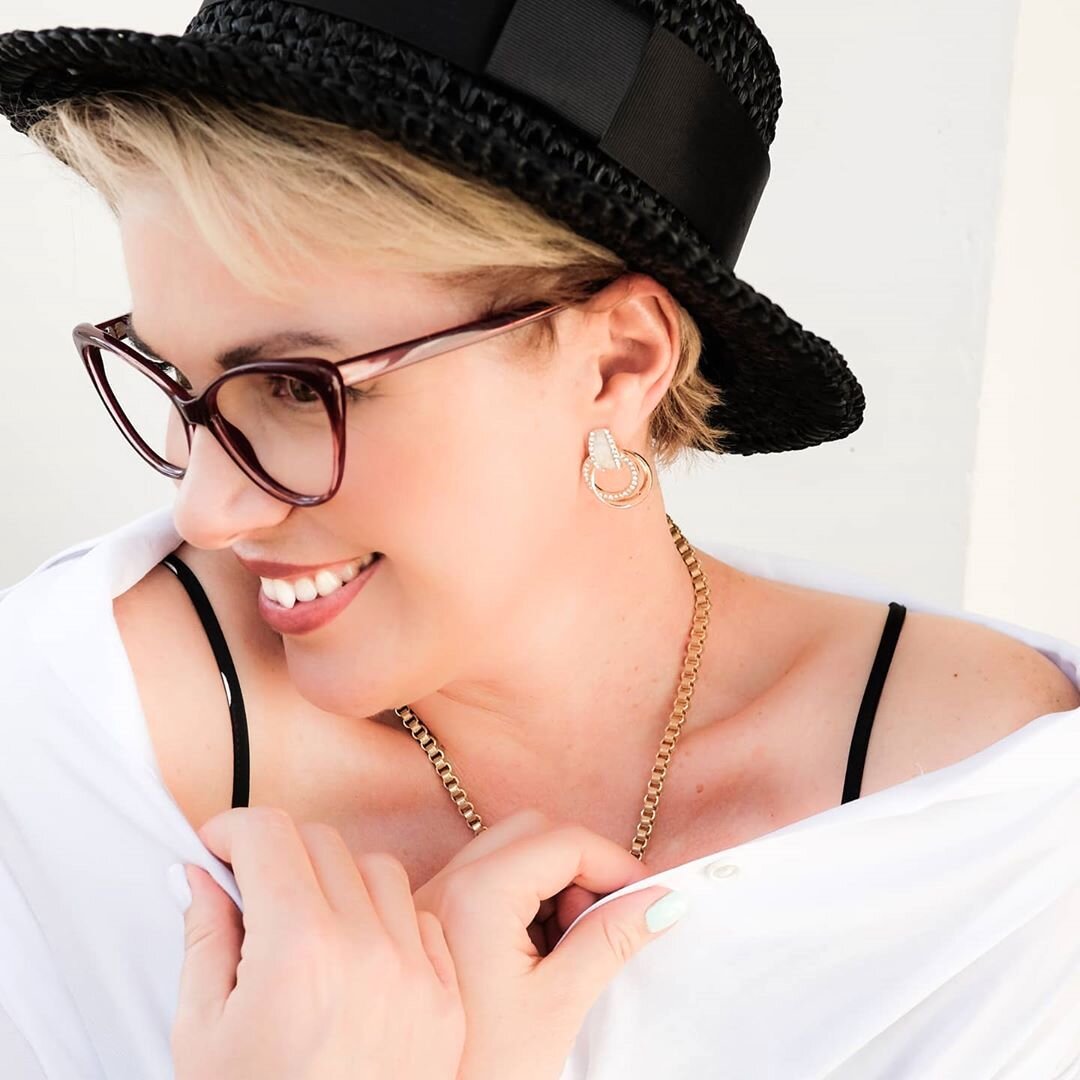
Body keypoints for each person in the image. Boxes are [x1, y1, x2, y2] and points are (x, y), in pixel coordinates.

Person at [1, 1, 1079, 1078]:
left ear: (618, 363)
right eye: (176, 382)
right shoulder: (64, 741)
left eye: (294, 387)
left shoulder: (992, 820)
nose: (207, 511)